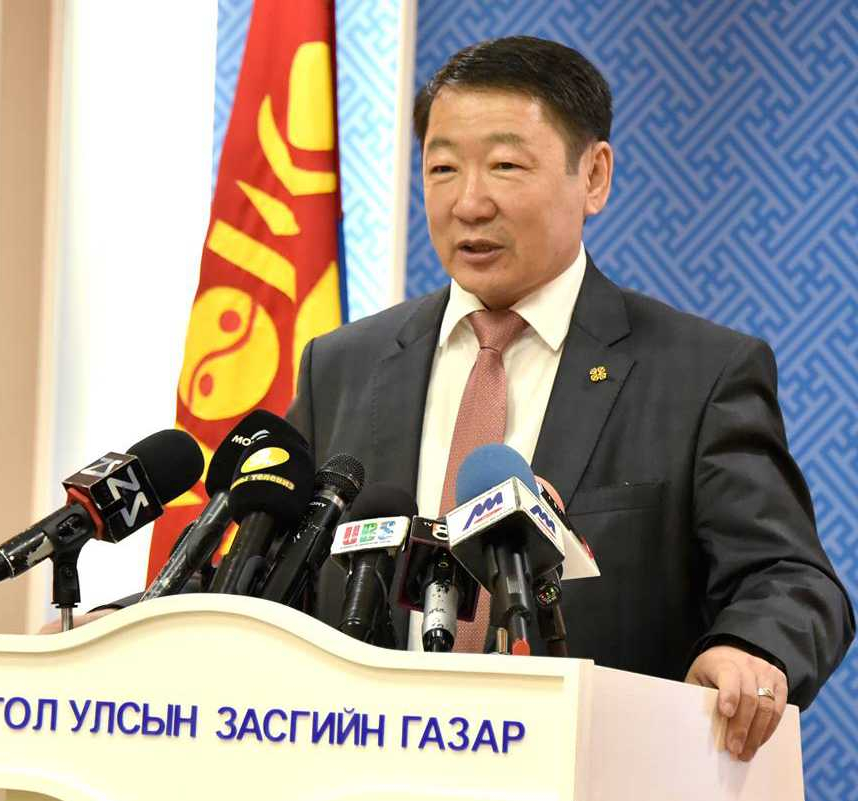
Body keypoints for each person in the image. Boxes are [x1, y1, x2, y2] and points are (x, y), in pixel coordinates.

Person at [285, 36, 854, 763]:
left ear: (594, 176)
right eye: (442, 167)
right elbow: (278, 577)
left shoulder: (700, 373)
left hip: (596, 769)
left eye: (505, 165)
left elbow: (791, 580)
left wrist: (750, 648)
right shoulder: (341, 365)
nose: (469, 202)